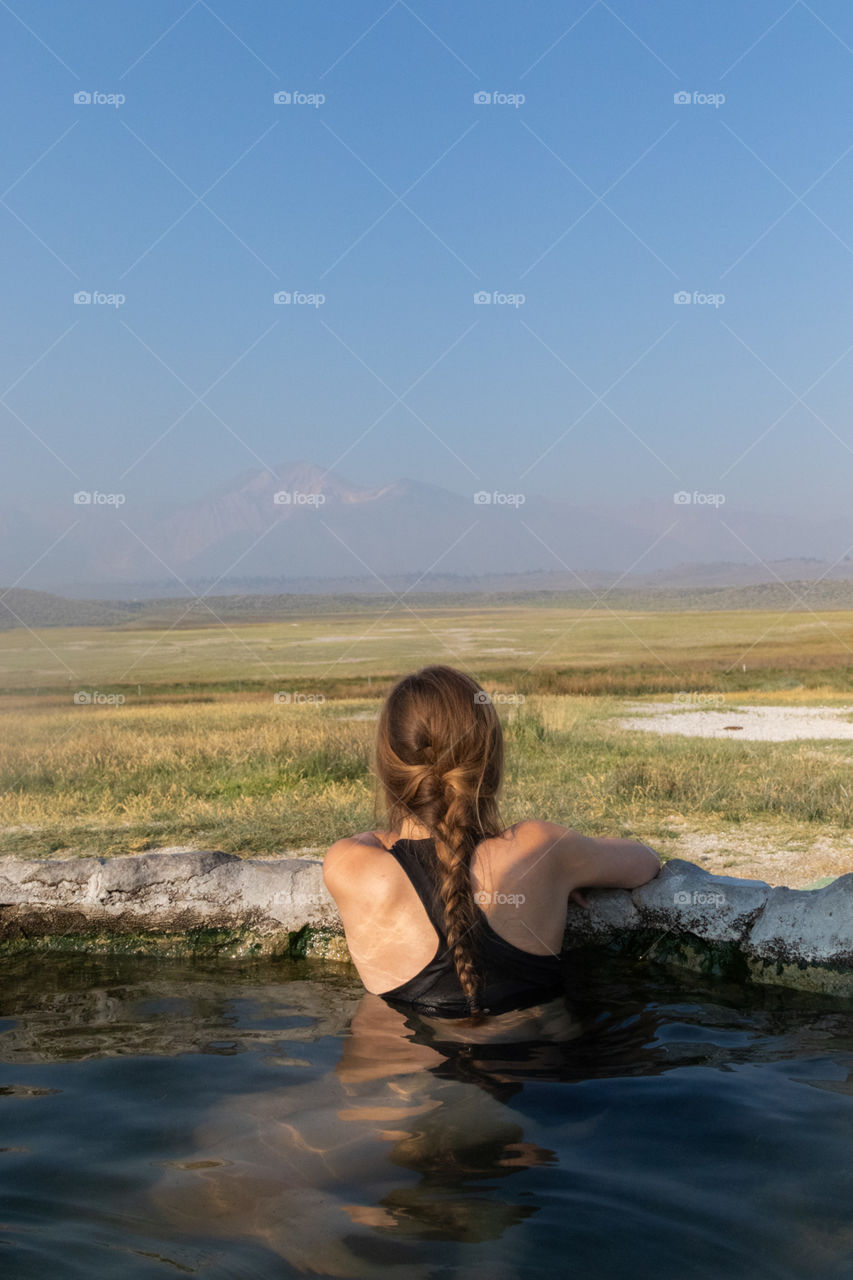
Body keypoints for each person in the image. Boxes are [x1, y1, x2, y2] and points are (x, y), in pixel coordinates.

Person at [323, 665, 662, 1021]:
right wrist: (572, 873)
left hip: (404, 1069)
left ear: (388, 765)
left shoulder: (350, 864)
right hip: (535, 1061)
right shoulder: (540, 848)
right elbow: (646, 863)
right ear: (489, 760)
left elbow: (381, 842)